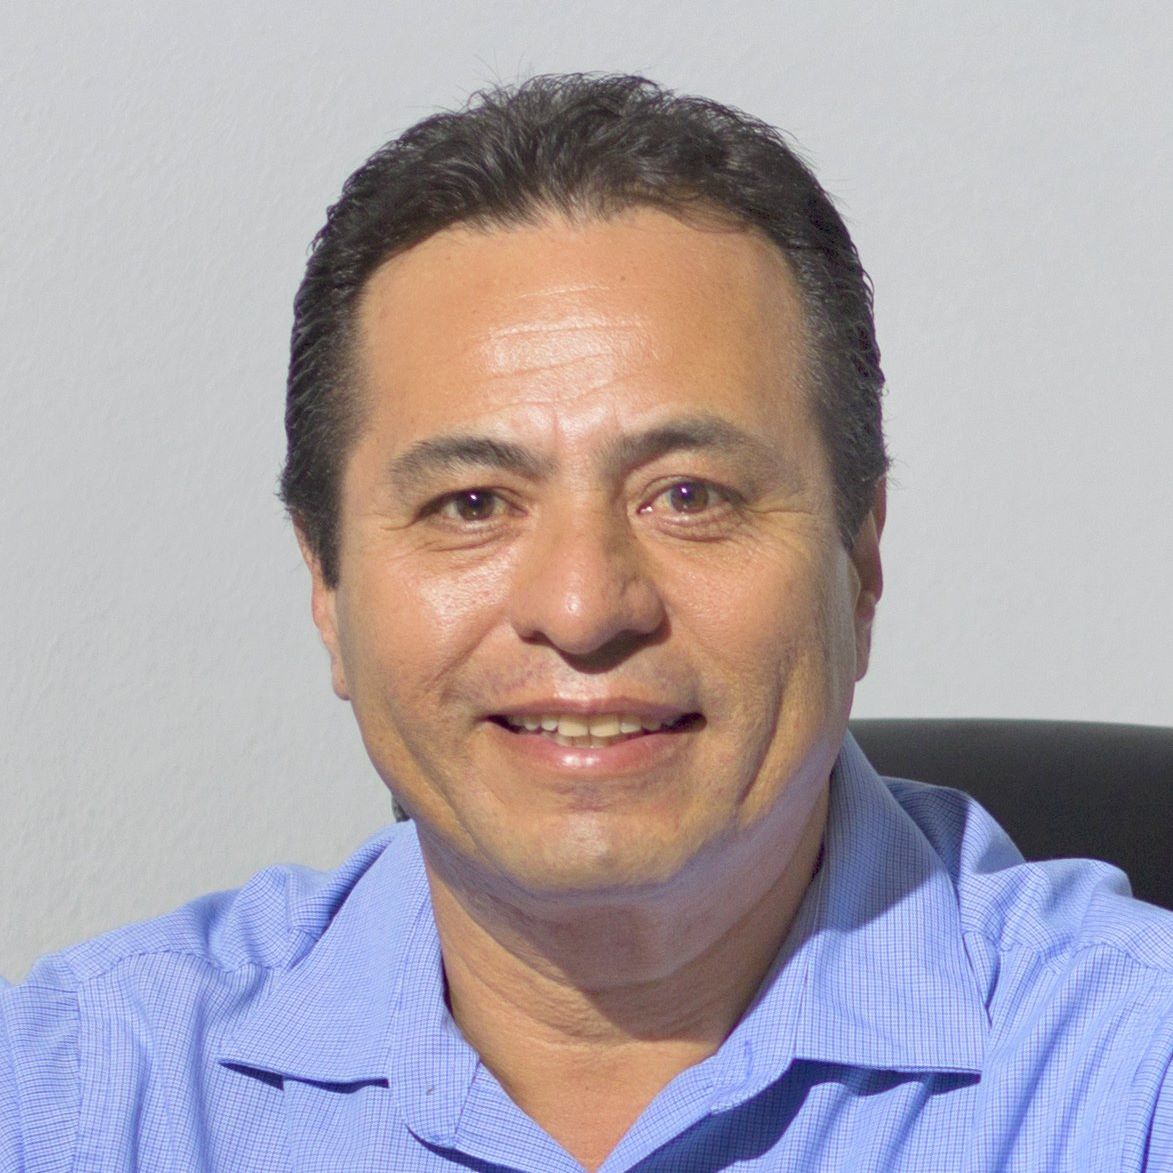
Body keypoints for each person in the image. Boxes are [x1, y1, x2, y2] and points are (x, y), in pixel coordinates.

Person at [2, 74, 1170, 1172]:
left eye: (690, 495)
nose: (582, 608)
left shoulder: (1130, 1079)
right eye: (472, 504)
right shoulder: (87, 1097)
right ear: (327, 584)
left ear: (859, 562)